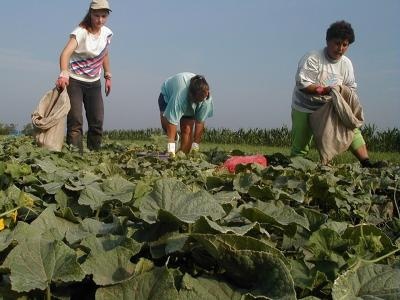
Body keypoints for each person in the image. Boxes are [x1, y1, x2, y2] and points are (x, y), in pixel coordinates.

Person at [290, 20, 383, 168]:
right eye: (337, 43)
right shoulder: (313, 58)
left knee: (351, 127)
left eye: (345, 45)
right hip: (305, 106)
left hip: (330, 106)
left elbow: (350, 87)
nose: (340, 48)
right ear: (328, 41)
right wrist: (326, 90)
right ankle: (295, 168)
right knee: (301, 142)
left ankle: (366, 162)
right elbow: (303, 84)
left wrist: (343, 97)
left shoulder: (346, 64)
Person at [55, 0, 113, 151]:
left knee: (97, 121)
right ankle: (76, 157)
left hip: (94, 83)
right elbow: (65, 54)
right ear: (90, 14)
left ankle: (94, 157)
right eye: (96, 16)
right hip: (75, 81)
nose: (100, 20)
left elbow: (104, 53)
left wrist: (108, 76)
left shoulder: (107, 33)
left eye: (103, 16)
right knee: (75, 122)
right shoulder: (80, 32)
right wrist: (63, 74)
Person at [158, 72, 214, 156]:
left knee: (187, 129)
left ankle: (183, 155)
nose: (201, 102)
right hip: (168, 95)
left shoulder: (206, 100)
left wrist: (196, 144)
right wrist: (171, 149)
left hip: (188, 98)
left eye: (202, 100)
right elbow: (172, 123)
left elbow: (200, 121)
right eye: (198, 100)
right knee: (165, 125)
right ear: (192, 95)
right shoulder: (180, 97)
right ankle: (175, 142)